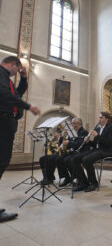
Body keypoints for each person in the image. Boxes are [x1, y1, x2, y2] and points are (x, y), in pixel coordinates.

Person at [0, 56, 40, 222]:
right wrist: (29, 106)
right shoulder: (0, 75)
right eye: (18, 69)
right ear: (12, 64)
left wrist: (24, 78)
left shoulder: (5, 78)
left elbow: (18, 93)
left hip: (6, 122)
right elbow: (5, 96)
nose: (17, 72)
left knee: (2, 161)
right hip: (2, 122)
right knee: (1, 161)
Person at [71, 111, 112, 192]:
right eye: (99, 117)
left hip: (106, 151)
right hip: (97, 150)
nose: (99, 119)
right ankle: (83, 183)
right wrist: (88, 141)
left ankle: (94, 183)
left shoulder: (111, 128)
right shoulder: (97, 129)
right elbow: (94, 144)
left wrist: (97, 136)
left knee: (86, 160)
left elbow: (108, 143)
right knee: (75, 159)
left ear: (107, 119)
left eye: (101, 117)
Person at [54, 118, 88, 186]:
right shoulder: (72, 132)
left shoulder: (83, 131)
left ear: (80, 124)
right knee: (58, 159)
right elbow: (68, 143)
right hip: (73, 151)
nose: (73, 125)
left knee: (68, 159)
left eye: (75, 123)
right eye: (72, 123)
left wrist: (69, 145)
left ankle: (75, 178)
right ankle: (67, 178)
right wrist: (66, 145)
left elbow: (80, 143)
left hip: (81, 151)